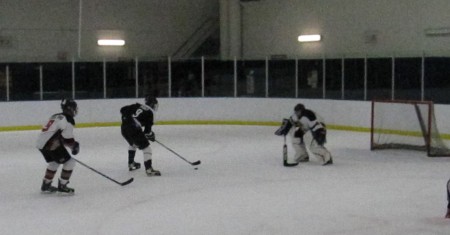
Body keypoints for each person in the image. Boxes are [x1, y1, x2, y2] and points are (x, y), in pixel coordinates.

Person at [36, 98, 80, 194]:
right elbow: (67, 137)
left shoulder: (55, 116)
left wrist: (68, 144)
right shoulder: (68, 119)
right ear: (70, 108)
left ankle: (46, 184)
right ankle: (63, 186)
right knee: (70, 162)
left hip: (40, 143)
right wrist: (74, 146)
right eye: (74, 108)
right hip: (51, 144)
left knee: (54, 163)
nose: (75, 110)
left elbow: (56, 134)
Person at [120, 96, 160, 176]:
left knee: (133, 144)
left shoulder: (137, 105)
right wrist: (151, 135)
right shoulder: (150, 112)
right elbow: (147, 132)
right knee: (147, 148)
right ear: (153, 105)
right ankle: (149, 169)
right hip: (133, 129)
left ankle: (131, 163)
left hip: (124, 127)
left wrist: (127, 119)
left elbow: (122, 109)